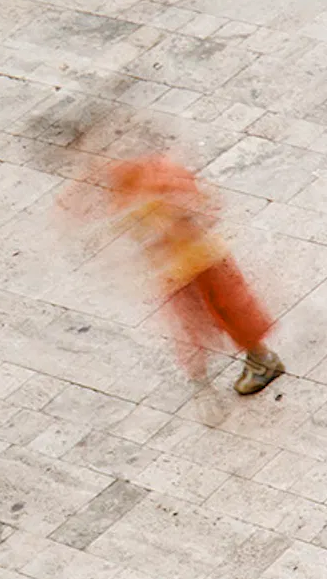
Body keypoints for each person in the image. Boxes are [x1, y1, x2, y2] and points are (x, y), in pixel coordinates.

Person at [63, 120, 287, 395]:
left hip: (200, 260)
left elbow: (203, 207)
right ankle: (213, 374)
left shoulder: (156, 177)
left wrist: (175, 220)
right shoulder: (127, 184)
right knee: (193, 322)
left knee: (225, 310)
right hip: (177, 269)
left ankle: (256, 361)